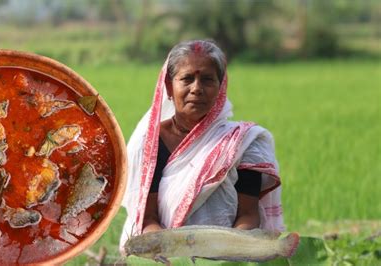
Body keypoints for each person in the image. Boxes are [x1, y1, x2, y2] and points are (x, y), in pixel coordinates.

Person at [120, 40, 284, 250]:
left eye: (207, 79)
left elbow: (248, 215)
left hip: (225, 256)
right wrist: (176, 255)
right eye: (187, 79)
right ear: (169, 87)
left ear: (220, 87)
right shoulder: (149, 144)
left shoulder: (242, 142)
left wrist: (222, 253)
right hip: (162, 255)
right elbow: (147, 217)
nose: (197, 88)